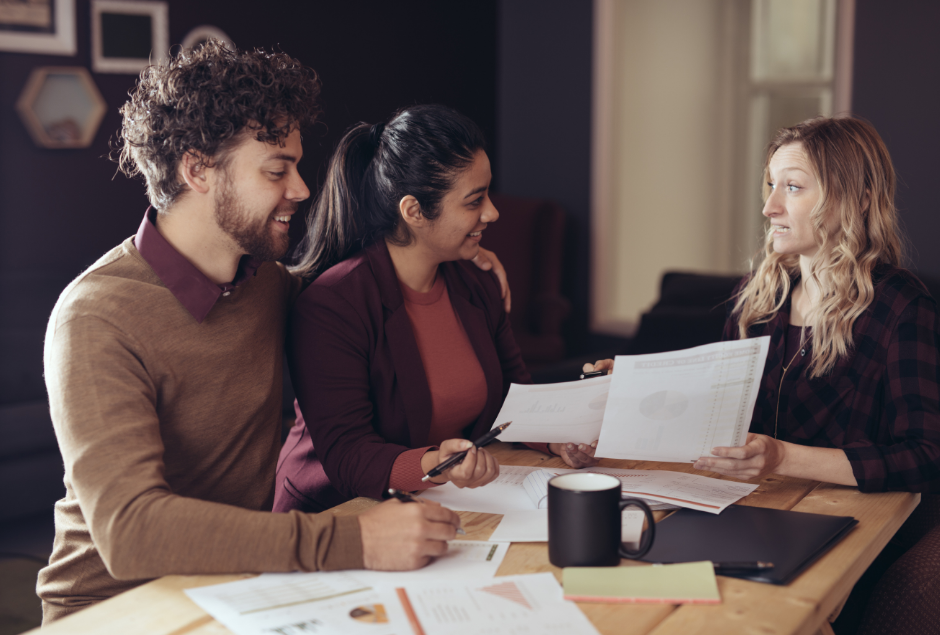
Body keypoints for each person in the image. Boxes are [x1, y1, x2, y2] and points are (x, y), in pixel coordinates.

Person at [38, 42, 510, 623]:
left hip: (236, 586)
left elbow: (361, 288)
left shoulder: (265, 284)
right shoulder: (96, 316)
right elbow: (131, 531)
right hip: (117, 608)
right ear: (197, 170)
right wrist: (352, 540)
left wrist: (463, 258)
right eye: (277, 170)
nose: (301, 189)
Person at [586, 116, 940, 492]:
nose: (769, 207)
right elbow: (717, 415)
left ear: (859, 198)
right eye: (772, 185)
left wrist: (783, 457)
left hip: (847, 521)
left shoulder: (901, 306)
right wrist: (636, 390)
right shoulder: (757, 297)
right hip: (746, 503)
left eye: (792, 187)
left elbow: (927, 456)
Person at [273, 105, 596, 514]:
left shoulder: (476, 281)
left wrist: (555, 439)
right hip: (338, 512)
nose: (492, 212)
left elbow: (515, 398)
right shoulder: (334, 305)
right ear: (414, 212)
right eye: (474, 200)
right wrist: (440, 465)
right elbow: (349, 456)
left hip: (443, 501)